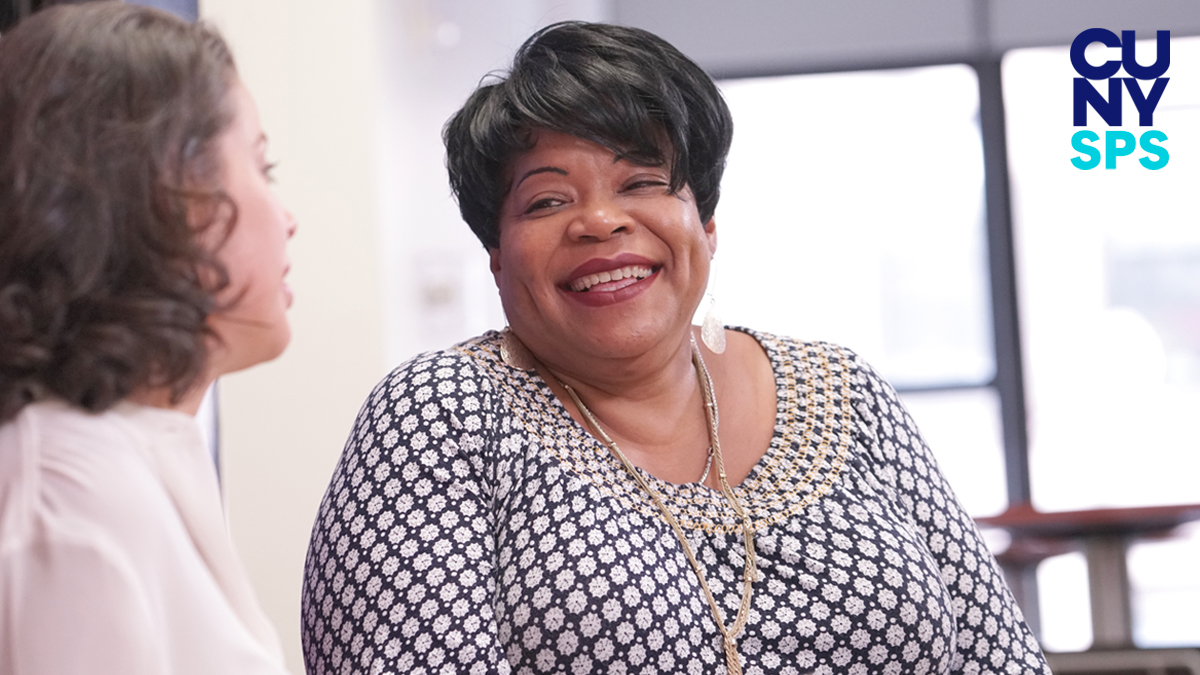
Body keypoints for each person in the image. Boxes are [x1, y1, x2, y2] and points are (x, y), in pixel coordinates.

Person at [301, 21, 1050, 675]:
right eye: (548, 200)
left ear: (706, 224)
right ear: (497, 253)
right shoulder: (441, 414)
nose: (599, 222)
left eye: (642, 182)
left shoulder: (843, 390)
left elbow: (1001, 657)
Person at [0, 4, 296, 674]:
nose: (288, 218)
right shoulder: (65, 499)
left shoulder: (131, 451)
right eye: (262, 168)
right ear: (168, 196)